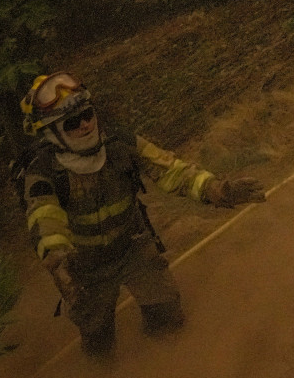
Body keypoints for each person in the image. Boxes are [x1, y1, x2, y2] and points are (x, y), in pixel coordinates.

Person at [19, 71, 266, 360]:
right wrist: (63, 271)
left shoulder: (121, 144)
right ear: (53, 133)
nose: (85, 124)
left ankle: (169, 366)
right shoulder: (45, 172)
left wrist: (219, 190)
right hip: (85, 268)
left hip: (132, 246)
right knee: (98, 339)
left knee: (166, 312)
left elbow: (172, 170)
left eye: (87, 114)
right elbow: (45, 221)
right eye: (72, 122)